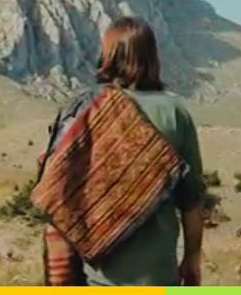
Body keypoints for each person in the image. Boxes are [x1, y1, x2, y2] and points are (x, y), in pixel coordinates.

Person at [35, 16, 206, 286]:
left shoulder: (86, 109)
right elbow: (191, 200)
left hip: (96, 276)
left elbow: (56, 186)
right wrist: (192, 257)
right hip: (158, 275)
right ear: (152, 57)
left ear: (109, 54)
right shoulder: (175, 113)